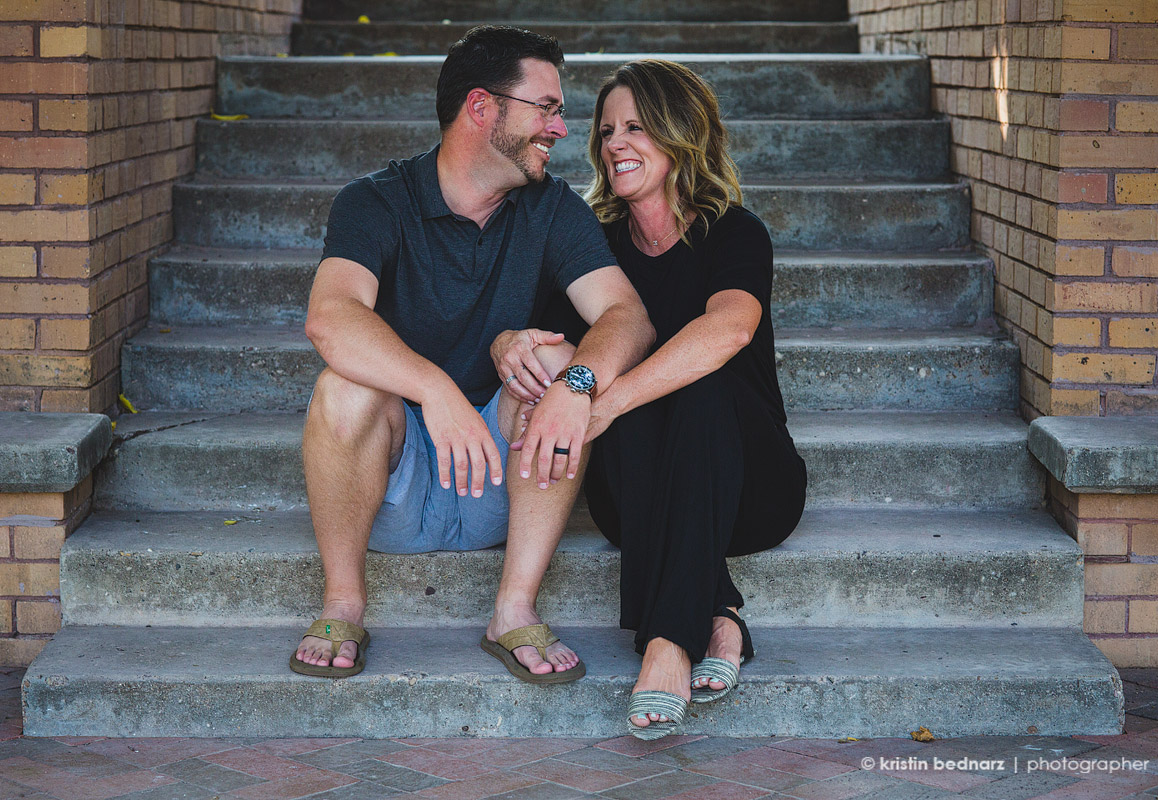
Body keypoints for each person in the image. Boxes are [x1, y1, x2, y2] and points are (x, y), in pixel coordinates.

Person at [290, 26, 654, 683]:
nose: (562, 128)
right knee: (343, 386)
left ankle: (513, 608)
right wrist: (435, 392)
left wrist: (576, 382)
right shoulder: (376, 202)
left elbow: (627, 316)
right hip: (395, 478)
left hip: (497, 472)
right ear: (482, 108)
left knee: (558, 362)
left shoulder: (553, 209)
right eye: (546, 107)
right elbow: (331, 317)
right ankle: (343, 603)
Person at [493, 59, 806, 737]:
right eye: (606, 131)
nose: (614, 144)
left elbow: (732, 327)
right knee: (600, 378)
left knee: (697, 382)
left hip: (751, 485)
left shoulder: (731, 231)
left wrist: (605, 402)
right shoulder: (596, 246)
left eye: (636, 127)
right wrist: (511, 345)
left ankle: (665, 643)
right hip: (635, 495)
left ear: (679, 134)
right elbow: (554, 348)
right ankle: (716, 614)